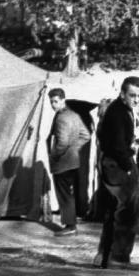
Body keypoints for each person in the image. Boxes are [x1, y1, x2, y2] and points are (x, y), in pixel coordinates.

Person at [93, 77, 139, 268]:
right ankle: (119, 257)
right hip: (118, 165)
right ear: (122, 93)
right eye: (132, 95)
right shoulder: (118, 112)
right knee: (129, 213)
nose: (136, 99)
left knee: (113, 211)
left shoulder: (119, 109)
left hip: (112, 164)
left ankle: (104, 255)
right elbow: (117, 145)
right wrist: (128, 165)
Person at [47, 88, 92, 237]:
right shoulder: (74, 115)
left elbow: (62, 142)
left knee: (64, 194)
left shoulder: (61, 118)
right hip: (73, 161)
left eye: (55, 101)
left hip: (62, 163)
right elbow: (86, 135)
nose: (53, 105)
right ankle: (70, 223)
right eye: (51, 101)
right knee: (68, 193)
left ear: (62, 100)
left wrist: (54, 155)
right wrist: (75, 148)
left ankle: (70, 225)